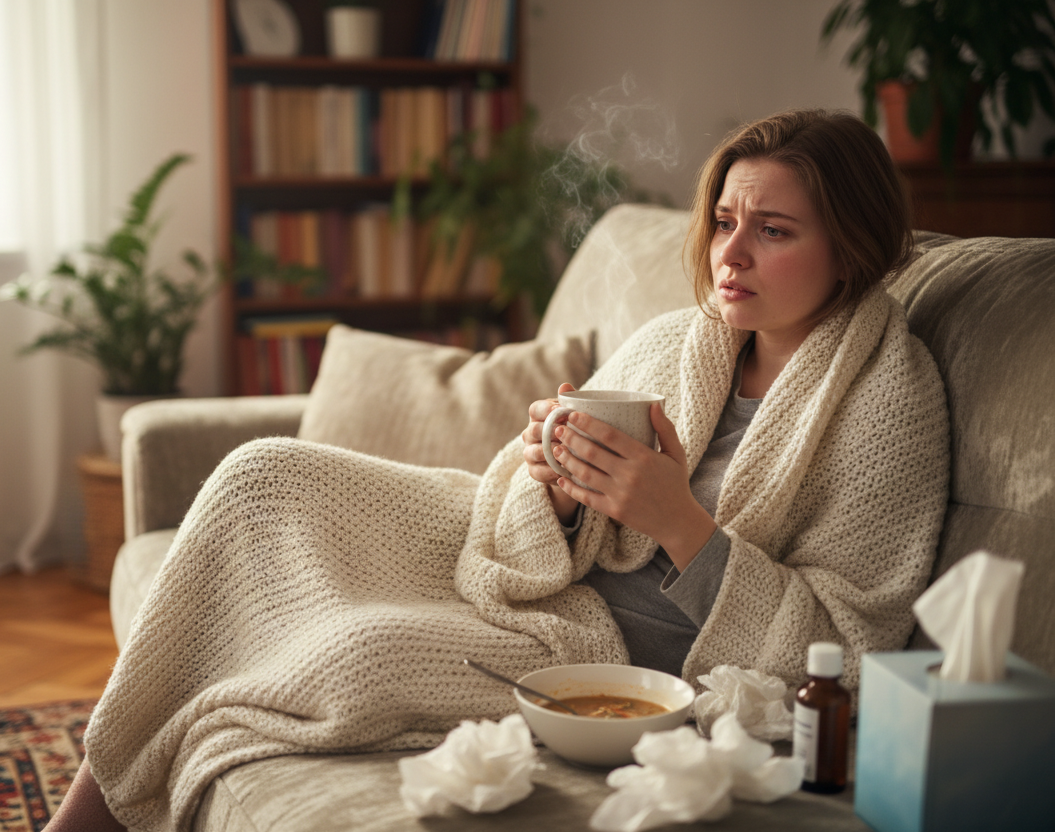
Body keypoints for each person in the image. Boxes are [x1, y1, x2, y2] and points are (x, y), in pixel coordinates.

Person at [46, 109, 950, 832]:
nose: (731, 253)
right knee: (262, 477)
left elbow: (853, 648)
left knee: (351, 652)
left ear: (852, 249)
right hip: (532, 573)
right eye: (723, 221)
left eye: (774, 230)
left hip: (607, 649)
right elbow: (532, 501)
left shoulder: (890, 403)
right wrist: (551, 486)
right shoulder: (680, 340)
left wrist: (681, 525)